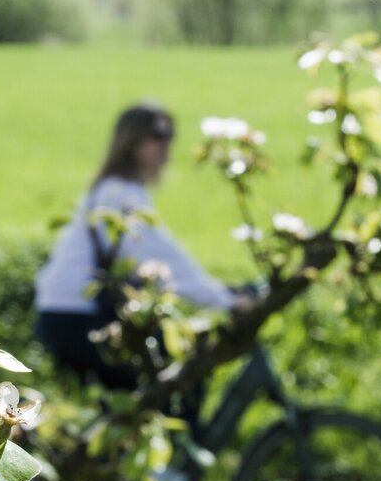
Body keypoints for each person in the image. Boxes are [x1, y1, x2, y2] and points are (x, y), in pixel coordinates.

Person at [35, 102, 246, 394]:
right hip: (77, 318)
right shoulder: (120, 195)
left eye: (170, 136)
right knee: (181, 383)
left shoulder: (119, 189)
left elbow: (166, 255)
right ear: (131, 142)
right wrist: (224, 300)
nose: (166, 146)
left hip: (72, 316)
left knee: (156, 386)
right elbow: (162, 262)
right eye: (157, 136)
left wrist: (218, 291)